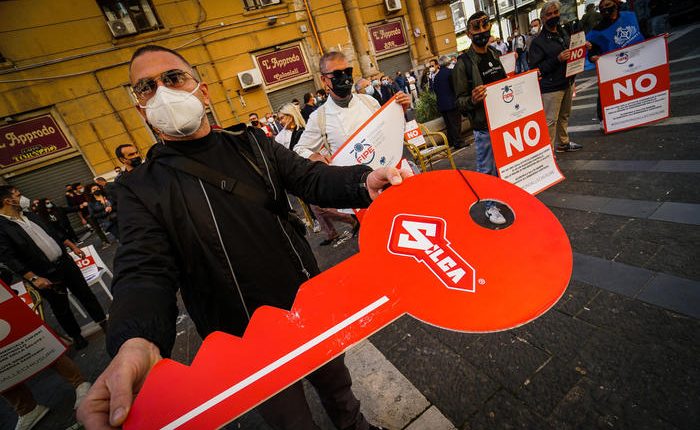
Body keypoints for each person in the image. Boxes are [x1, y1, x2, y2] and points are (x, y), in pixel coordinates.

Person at [77, 44, 409, 430]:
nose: (163, 92)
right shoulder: (139, 188)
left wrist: (362, 179)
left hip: (304, 306)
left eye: (172, 78)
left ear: (202, 90)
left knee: (339, 388)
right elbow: (143, 268)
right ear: (141, 109)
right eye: (147, 87)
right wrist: (137, 340)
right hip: (240, 337)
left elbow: (309, 177)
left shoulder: (252, 143)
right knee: (291, 421)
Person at [0, 186, 108, 350]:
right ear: (8, 200)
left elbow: (54, 232)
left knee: (85, 294)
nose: (23, 197)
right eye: (18, 195)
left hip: (65, 263)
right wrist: (33, 278)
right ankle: (76, 335)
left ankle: (103, 322)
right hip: (44, 275)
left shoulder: (30, 215)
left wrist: (73, 246)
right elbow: (9, 258)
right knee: (61, 307)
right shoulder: (2, 227)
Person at [452, 11, 507, 225]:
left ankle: (503, 197)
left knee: (503, 164)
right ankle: (489, 207)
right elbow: (460, 102)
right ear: (468, 33)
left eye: (485, 26)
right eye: (476, 28)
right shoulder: (463, 64)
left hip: (503, 120)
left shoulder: (493, 54)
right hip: (484, 125)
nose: (482, 32)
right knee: (486, 168)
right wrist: (473, 99)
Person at [528, 1, 583, 153]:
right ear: (543, 18)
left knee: (565, 115)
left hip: (567, 81)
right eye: (549, 14)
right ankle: (548, 152)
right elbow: (536, 69)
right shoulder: (538, 43)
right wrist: (557, 59)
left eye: (555, 13)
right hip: (551, 87)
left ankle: (563, 143)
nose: (553, 16)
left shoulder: (563, 32)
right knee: (550, 121)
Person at [587, 0, 646, 126]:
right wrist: (593, 57)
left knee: (639, 83)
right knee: (606, 89)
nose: (605, 9)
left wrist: (658, 39)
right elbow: (593, 49)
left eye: (608, 5)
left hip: (637, 59)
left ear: (616, 4)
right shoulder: (597, 30)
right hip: (614, 65)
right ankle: (604, 119)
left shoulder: (630, 16)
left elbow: (643, 31)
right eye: (602, 7)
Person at [433, 55, 467, 149]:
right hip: (451, 102)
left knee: (448, 124)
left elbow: (435, 90)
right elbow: (455, 87)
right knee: (456, 124)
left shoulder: (436, 77)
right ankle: (458, 142)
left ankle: (451, 142)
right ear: (448, 62)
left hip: (442, 104)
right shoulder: (450, 73)